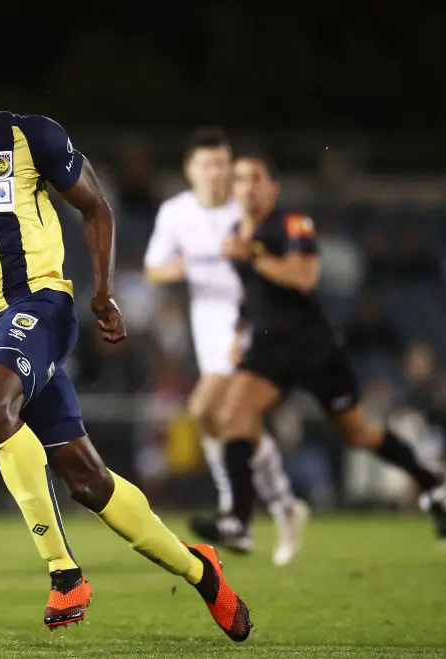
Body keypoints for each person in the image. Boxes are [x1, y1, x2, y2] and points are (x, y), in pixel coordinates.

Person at [0, 35, 251, 641]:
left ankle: (64, 574)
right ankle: (203, 572)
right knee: (87, 478)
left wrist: (103, 292)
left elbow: (97, 207)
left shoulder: (31, 135)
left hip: (38, 304)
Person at [209, 151, 446, 545]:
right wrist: (240, 333)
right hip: (271, 349)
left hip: (312, 347)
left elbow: (303, 277)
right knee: (234, 416)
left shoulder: (291, 224)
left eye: (256, 178)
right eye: (240, 179)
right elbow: (252, 296)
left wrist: (253, 255)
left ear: (273, 187)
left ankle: (433, 482)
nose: (247, 186)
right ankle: (238, 522)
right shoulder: (241, 233)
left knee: (358, 433)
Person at [144, 127, 309, 565]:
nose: (217, 173)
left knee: (203, 410)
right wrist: (188, 264)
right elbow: (153, 270)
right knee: (238, 423)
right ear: (190, 170)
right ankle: (283, 506)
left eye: (223, 164)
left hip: (250, 328)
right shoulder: (176, 213)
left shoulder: (247, 211)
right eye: (208, 165)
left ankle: (236, 510)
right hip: (208, 331)